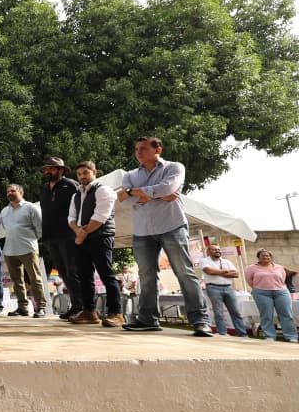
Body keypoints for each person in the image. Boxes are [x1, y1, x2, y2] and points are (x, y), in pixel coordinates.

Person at [117, 137, 212, 336]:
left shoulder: (174, 168)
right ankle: (147, 319)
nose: (138, 152)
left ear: (158, 149)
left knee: (184, 273)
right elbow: (123, 200)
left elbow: (168, 189)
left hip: (172, 226)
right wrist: (158, 194)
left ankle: (200, 320)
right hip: (142, 231)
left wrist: (137, 195)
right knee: (146, 276)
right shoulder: (130, 175)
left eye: (143, 148)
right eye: (136, 149)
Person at [67, 162, 123, 326]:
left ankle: (117, 312)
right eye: (79, 174)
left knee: (106, 273)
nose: (82, 176)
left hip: (100, 236)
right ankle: (89, 312)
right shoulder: (76, 195)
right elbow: (71, 218)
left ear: (94, 172)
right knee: (84, 275)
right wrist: (78, 231)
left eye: (85, 173)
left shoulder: (103, 190)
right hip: (82, 238)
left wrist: (81, 233)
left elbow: (100, 216)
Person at [38, 157, 82, 320]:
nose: (47, 171)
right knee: (62, 272)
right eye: (46, 169)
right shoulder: (44, 189)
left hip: (69, 234)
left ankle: (82, 307)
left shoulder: (70, 185)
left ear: (61, 170)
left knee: (73, 271)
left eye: (51, 168)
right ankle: (76, 305)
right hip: (52, 236)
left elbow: (80, 207)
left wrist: (78, 230)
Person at [1, 184, 46, 318]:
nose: (10, 193)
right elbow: (5, 229)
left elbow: (41, 230)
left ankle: (41, 307)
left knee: (35, 279)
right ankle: (22, 308)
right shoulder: (4, 211)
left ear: (21, 192)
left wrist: (29, 241)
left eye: (13, 190)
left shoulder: (31, 208)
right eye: (8, 191)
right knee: (16, 281)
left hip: (28, 249)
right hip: (10, 250)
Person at [244, 248, 298, 343]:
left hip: (281, 292)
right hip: (262, 293)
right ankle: (270, 336)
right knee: (266, 315)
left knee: (286, 314)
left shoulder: (279, 267)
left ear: (271, 257)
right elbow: (249, 280)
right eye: (263, 255)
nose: (266, 257)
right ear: (258, 257)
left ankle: (291, 336)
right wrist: (259, 287)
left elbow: (283, 279)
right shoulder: (251, 268)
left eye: (268, 256)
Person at [199, 244, 247, 337]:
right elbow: (209, 271)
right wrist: (225, 272)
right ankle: (222, 333)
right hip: (213, 288)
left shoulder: (226, 261)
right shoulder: (204, 261)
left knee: (236, 312)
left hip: (228, 288)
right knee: (218, 312)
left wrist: (218, 272)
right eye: (214, 249)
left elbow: (236, 274)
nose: (217, 251)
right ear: (209, 251)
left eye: (218, 249)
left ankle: (243, 334)